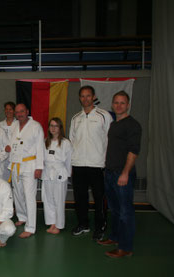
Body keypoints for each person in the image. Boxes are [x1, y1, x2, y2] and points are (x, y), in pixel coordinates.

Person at [98, 91, 141, 258]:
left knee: (125, 212)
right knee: (114, 209)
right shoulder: (114, 124)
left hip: (122, 175)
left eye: (122, 103)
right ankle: (115, 238)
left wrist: (125, 173)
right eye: (116, 102)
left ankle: (125, 247)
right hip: (110, 173)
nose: (118, 105)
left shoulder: (133, 125)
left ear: (128, 105)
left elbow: (133, 151)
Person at [69, 85, 113, 240]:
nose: (85, 98)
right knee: (80, 198)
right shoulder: (75, 118)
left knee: (99, 198)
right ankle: (83, 224)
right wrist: (72, 164)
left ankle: (100, 226)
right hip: (79, 165)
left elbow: (109, 140)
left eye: (88, 95)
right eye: (82, 96)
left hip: (97, 165)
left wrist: (105, 162)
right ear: (79, 98)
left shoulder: (104, 115)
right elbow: (72, 143)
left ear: (93, 97)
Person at [5, 103, 44, 238]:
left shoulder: (35, 126)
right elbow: (12, 143)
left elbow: (40, 147)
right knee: (18, 193)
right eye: (17, 112)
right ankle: (22, 216)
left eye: (22, 111)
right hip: (16, 164)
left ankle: (31, 227)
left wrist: (39, 167)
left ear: (27, 111)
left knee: (29, 196)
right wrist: (8, 148)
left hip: (30, 165)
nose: (19, 114)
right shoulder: (14, 126)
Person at [41, 118, 72, 235]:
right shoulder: (45, 142)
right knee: (48, 199)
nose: (53, 128)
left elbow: (69, 160)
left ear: (60, 128)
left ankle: (58, 224)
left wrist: (68, 174)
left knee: (58, 200)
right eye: (51, 126)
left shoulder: (65, 143)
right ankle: (52, 222)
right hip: (47, 172)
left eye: (56, 126)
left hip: (60, 173)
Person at [0, 102, 17, 181]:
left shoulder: (18, 124)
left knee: (16, 183)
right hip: (4, 157)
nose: (8, 111)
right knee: (4, 181)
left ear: (14, 111)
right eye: (6, 109)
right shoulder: (0, 125)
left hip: (15, 156)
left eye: (10, 109)